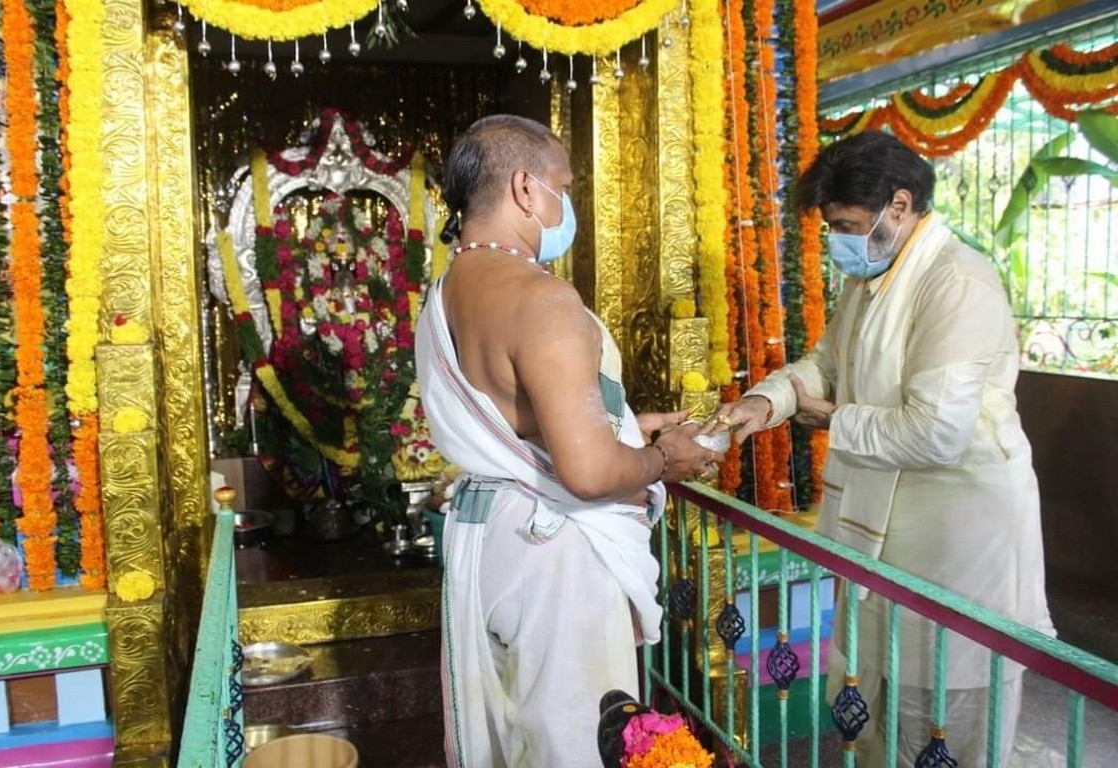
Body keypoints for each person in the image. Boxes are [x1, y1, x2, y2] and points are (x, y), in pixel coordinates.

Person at [713, 131, 1054, 767]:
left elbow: (934, 432)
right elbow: (826, 362)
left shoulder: (956, 283)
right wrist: (766, 404)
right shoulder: (875, 276)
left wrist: (831, 420)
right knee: (880, 697)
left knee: (943, 707)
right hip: (888, 524)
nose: (838, 241)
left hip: (956, 533)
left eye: (846, 224)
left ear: (899, 206)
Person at [414, 114, 723, 768]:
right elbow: (585, 472)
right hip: (555, 555)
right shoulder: (544, 299)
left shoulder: (445, 295)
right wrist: (670, 458)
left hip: (492, 538)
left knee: (514, 736)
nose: (566, 203)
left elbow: (520, 419)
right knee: (579, 740)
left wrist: (625, 430)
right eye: (564, 185)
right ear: (526, 188)